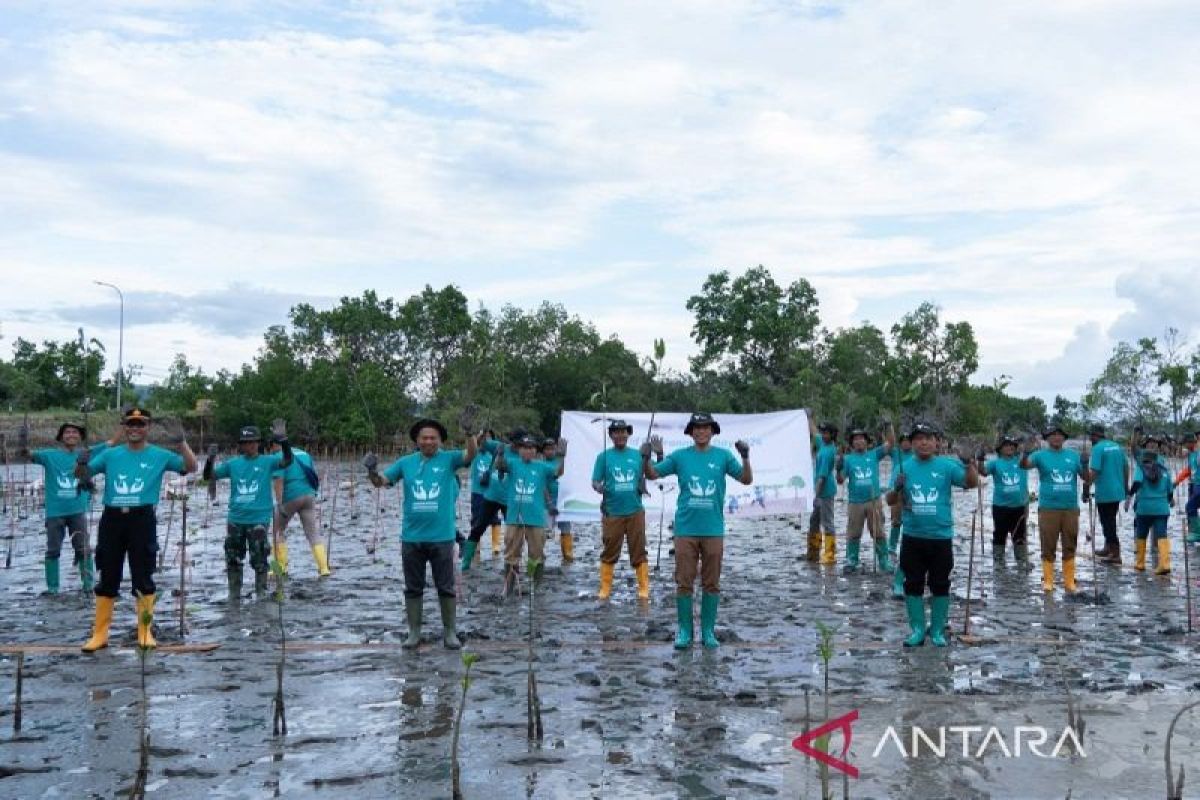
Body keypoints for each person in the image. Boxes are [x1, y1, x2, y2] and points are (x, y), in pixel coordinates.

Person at [77, 406, 197, 651]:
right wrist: (81, 462)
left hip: (142, 520)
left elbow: (192, 467)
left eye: (140, 424)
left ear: (147, 428)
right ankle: (99, 634)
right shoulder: (111, 455)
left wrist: (182, 443)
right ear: (124, 427)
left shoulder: (160, 455)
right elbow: (82, 474)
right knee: (108, 574)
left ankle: (144, 632)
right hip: (112, 519)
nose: (134, 428)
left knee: (143, 574)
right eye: (130, 424)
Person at [366, 412, 476, 649]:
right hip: (412, 538)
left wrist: (469, 434)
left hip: (442, 538)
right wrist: (372, 472)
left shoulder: (449, 459)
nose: (428, 441)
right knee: (413, 587)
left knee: (445, 587)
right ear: (417, 440)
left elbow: (470, 455)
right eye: (424, 438)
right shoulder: (406, 462)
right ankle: (414, 632)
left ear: (440, 440)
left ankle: (450, 633)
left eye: (433, 438)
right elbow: (382, 482)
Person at [643, 412, 752, 649]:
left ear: (713, 431)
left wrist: (745, 457)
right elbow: (652, 474)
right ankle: (684, 631)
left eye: (706, 427)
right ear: (691, 432)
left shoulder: (723, 456)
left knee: (711, 583)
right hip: (685, 529)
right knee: (684, 581)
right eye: (697, 428)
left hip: (713, 529)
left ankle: (708, 631)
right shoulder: (680, 457)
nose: (701, 431)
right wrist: (646, 458)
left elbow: (746, 479)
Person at [886, 421, 979, 647]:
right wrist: (896, 488)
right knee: (912, 583)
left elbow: (971, 483)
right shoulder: (903, 467)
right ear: (912, 442)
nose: (923, 442)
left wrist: (969, 463)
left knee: (940, 583)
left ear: (937, 442)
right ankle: (917, 629)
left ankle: (937, 630)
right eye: (918, 438)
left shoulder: (947, 466)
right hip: (912, 536)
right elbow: (889, 501)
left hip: (940, 537)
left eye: (928, 438)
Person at [23, 421, 116, 593]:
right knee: (52, 550)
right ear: (61, 437)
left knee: (84, 549)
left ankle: (88, 585)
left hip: (78, 511)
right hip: (55, 512)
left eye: (75, 432)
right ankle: (52, 588)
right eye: (67, 432)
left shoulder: (87, 454)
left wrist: (122, 426)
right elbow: (29, 455)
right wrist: (23, 441)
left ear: (80, 437)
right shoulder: (49, 455)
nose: (71, 435)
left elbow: (110, 443)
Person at [204, 424, 293, 598]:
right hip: (236, 519)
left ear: (258, 443)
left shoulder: (268, 461)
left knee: (260, 558)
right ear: (241, 445)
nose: (250, 445)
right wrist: (210, 459)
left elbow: (287, 461)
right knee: (233, 558)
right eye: (246, 443)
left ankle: (261, 593)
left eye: (253, 442)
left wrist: (284, 441)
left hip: (259, 518)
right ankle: (234, 596)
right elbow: (209, 476)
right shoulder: (233, 464)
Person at [1021, 424, 1090, 594]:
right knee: (1048, 545)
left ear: (1064, 438)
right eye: (1053, 435)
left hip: (1071, 508)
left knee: (1070, 544)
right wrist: (1026, 452)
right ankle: (1048, 581)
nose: (1057, 437)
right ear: (1047, 438)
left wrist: (1085, 463)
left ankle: (1069, 582)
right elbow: (1024, 466)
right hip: (1048, 508)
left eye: (1060, 435)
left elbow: (1086, 478)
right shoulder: (1040, 455)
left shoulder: (1073, 456)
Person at [495, 434, 565, 592]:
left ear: (535, 451)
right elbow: (500, 466)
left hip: (536, 518)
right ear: (519, 450)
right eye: (525, 448)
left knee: (537, 553)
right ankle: (510, 586)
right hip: (514, 518)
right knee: (511, 553)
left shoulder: (542, 466)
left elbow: (557, 472)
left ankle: (536, 586)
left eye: (531, 448)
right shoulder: (512, 463)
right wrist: (499, 454)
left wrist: (561, 456)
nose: (528, 451)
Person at [591, 419, 649, 600]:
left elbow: (652, 471)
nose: (620, 435)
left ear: (628, 434)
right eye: (616, 432)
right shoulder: (603, 457)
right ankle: (605, 588)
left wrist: (656, 455)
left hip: (635, 511)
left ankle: (643, 588)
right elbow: (595, 481)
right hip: (612, 511)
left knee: (639, 550)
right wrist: (598, 487)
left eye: (624, 431)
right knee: (609, 550)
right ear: (610, 436)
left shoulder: (638, 455)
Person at [461, 427, 524, 570]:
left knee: (515, 531)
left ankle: (513, 562)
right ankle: (466, 561)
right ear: (512, 441)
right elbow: (480, 444)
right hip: (491, 496)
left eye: (522, 444)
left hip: (511, 499)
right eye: (517, 443)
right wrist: (480, 434)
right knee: (478, 527)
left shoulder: (524, 455)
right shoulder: (499, 447)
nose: (519, 446)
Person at [268, 434, 328, 576]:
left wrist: (279, 503)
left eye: (270, 448)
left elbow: (279, 481)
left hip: (291, 497)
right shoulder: (304, 454)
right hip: (309, 496)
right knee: (312, 533)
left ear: (274, 445)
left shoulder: (279, 456)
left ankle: (280, 568)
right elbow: (313, 475)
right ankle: (324, 568)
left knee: (278, 530)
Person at [835, 428, 892, 573]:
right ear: (852, 443)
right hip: (855, 502)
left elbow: (890, 443)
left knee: (878, 531)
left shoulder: (874, 454)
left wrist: (888, 426)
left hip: (874, 500)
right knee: (853, 533)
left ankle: (884, 560)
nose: (859, 441)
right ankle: (851, 560)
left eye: (862, 438)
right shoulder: (848, 459)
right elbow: (841, 481)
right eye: (855, 439)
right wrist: (838, 469)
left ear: (867, 442)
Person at [980, 433, 1030, 564]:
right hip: (1000, 506)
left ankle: (1022, 561)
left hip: (1020, 507)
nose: (1010, 447)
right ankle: (998, 562)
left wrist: (1027, 447)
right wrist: (980, 459)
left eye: (1012, 445)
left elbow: (1029, 452)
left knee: (1020, 535)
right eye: (1006, 445)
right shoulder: (995, 463)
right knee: (999, 534)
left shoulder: (1021, 461)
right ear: (1000, 448)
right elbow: (983, 472)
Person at [1087, 423, 1129, 564]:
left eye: (1091, 436)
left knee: (1108, 522)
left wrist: (1085, 487)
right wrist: (1125, 486)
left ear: (1095, 436)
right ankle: (1107, 547)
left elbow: (1094, 472)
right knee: (1109, 520)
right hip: (1117, 491)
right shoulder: (1117, 446)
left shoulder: (1097, 449)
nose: (1090, 439)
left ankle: (1115, 553)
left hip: (1105, 492)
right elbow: (1126, 466)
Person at [1127, 449, 1174, 574]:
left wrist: (1130, 495)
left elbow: (1137, 482)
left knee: (1141, 534)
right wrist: (1169, 500)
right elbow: (1170, 491)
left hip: (1144, 508)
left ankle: (1140, 563)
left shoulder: (1141, 468)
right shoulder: (1165, 471)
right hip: (1162, 508)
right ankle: (1164, 564)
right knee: (1162, 535)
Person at [468, 430, 503, 557]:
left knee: (495, 519)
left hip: (492, 492)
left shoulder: (495, 455)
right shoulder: (474, 454)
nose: (486, 441)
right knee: (476, 519)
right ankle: (476, 547)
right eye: (484, 438)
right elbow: (473, 444)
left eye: (489, 438)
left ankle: (496, 547)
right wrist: (479, 436)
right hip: (477, 492)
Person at [810, 423, 839, 564]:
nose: (824, 435)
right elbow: (815, 433)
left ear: (833, 435)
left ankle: (830, 554)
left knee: (827, 523)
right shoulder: (822, 443)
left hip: (825, 492)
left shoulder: (828, 452)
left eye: (827, 433)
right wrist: (808, 417)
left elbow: (822, 478)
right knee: (814, 521)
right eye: (823, 433)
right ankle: (813, 552)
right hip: (819, 491)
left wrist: (816, 496)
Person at [541, 437, 573, 563]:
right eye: (547, 449)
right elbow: (557, 473)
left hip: (563, 502)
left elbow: (566, 473)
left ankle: (568, 554)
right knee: (543, 531)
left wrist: (562, 457)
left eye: (552, 449)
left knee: (566, 529)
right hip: (546, 503)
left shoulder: (563, 460)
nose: (550, 451)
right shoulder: (542, 465)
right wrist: (548, 503)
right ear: (543, 451)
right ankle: (539, 553)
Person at [1174, 431, 1200, 544]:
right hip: (1194, 484)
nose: (1185, 446)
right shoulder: (1191, 454)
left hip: (1199, 485)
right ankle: (1194, 532)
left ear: (1191, 442)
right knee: (1190, 507)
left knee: (1190, 506)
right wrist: (1177, 481)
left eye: (1186, 444)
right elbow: (1189, 469)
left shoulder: (1198, 452)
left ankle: (1197, 532)